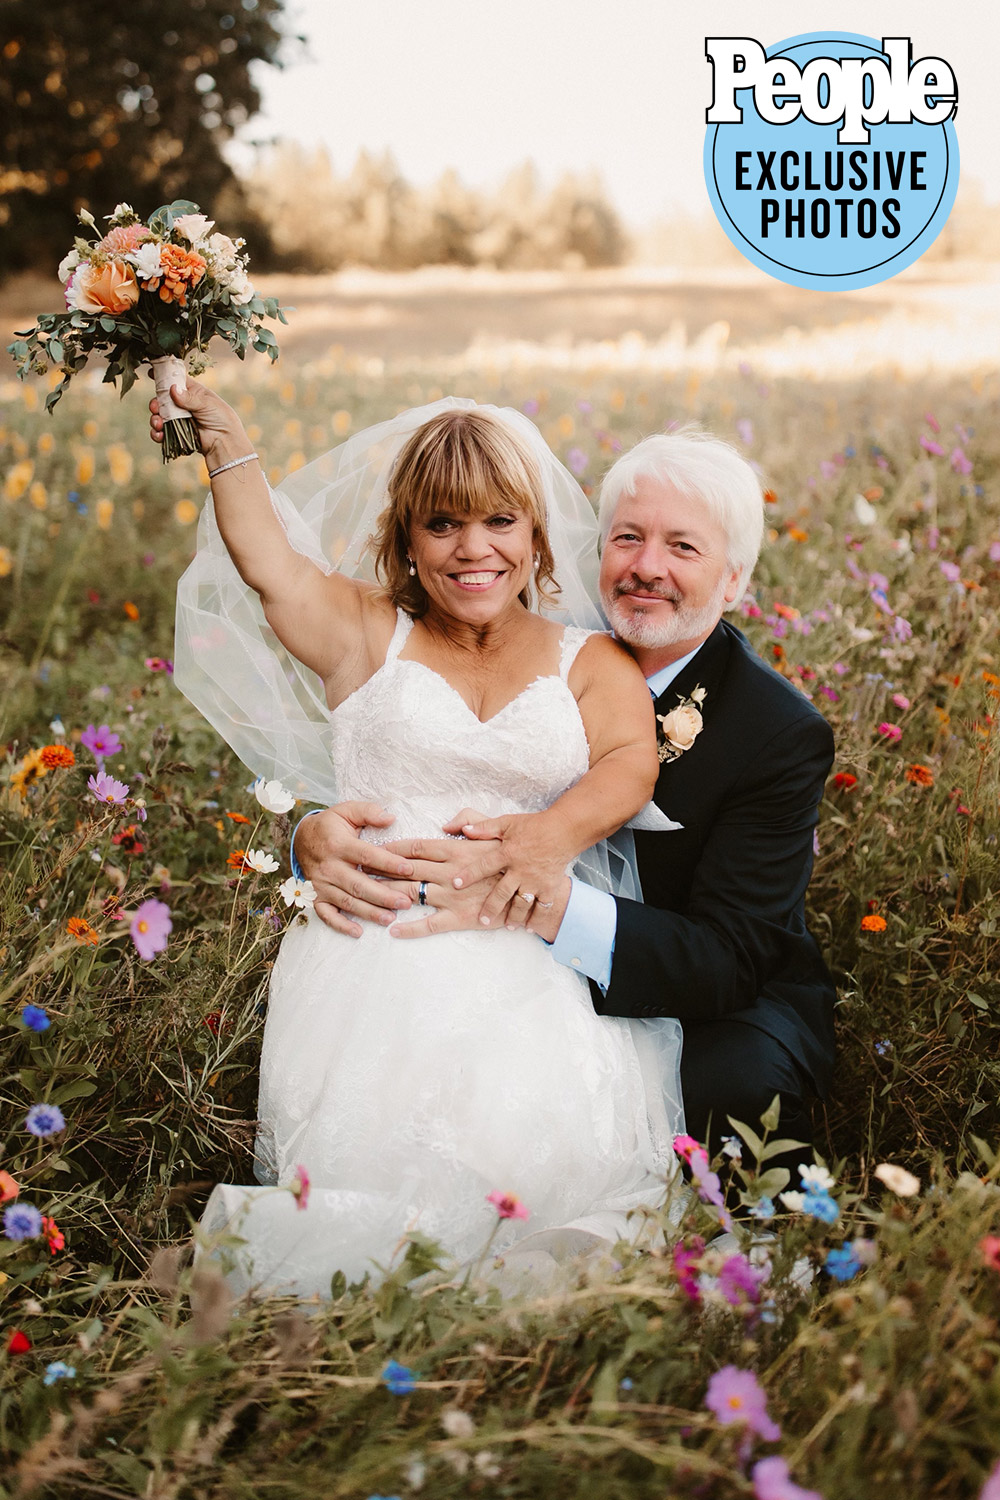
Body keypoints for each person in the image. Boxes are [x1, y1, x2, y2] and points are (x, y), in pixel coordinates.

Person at [154, 386, 686, 1297]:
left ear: (536, 538)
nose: (473, 549)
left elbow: (631, 765)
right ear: (405, 537)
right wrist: (228, 444)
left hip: (535, 943)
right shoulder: (366, 633)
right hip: (378, 952)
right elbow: (268, 565)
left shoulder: (588, 661)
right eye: (442, 525)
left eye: (498, 522)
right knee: (380, 1177)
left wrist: (543, 839)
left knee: (542, 1171)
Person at [294, 427, 837, 1175]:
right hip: (505, 961)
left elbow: (728, 956)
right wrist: (311, 836)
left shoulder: (777, 731)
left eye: (683, 548)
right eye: (628, 538)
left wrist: (541, 900)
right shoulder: (535, 638)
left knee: (729, 1089)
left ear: (735, 580)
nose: (647, 568)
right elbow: (418, 759)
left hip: (702, 983)